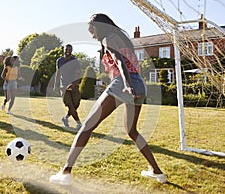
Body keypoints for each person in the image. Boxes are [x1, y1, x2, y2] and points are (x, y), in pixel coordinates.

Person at [50, 13, 166, 185]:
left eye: (92, 30)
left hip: (125, 83)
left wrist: (126, 83)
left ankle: (65, 172)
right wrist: (128, 84)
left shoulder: (108, 39)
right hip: (140, 85)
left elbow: (119, 61)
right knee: (132, 131)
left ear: (99, 27)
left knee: (87, 126)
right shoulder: (122, 38)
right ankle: (157, 172)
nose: (92, 34)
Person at [53, 44, 82, 130]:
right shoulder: (59, 61)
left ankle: (65, 118)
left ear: (72, 50)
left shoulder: (75, 61)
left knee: (76, 104)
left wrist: (74, 84)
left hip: (74, 86)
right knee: (70, 105)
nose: (68, 51)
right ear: (64, 50)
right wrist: (56, 86)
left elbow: (78, 73)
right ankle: (79, 124)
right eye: (66, 49)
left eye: (70, 49)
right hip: (64, 86)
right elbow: (57, 74)